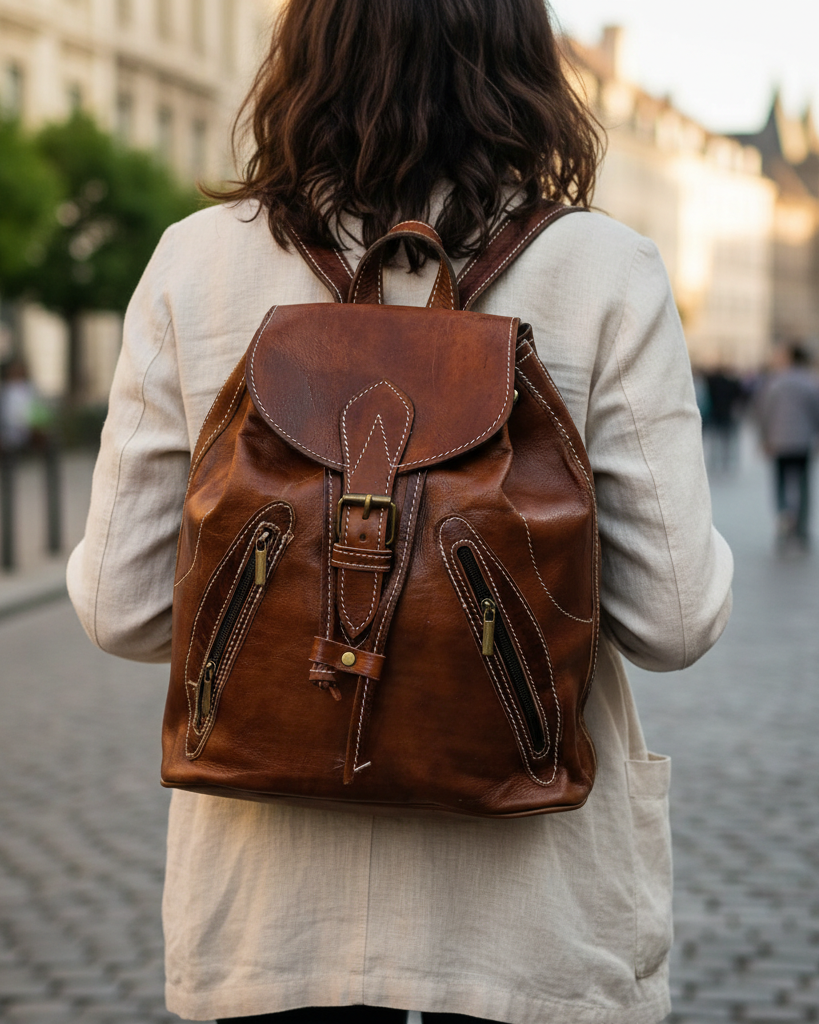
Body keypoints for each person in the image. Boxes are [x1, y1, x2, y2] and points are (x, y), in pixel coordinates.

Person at [66, 2, 733, 1022]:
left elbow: (121, 609)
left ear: (306, 46)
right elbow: (674, 622)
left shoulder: (195, 263)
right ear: (519, 53)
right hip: (530, 930)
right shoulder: (607, 270)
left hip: (271, 928)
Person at [756, 342, 819, 546]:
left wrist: (764, 437)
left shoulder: (776, 382)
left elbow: (764, 412)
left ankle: (783, 518)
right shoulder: (811, 382)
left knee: (781, 483)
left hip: (778, 441)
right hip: (802, 441)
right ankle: (801, 528)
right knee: (803, 485)